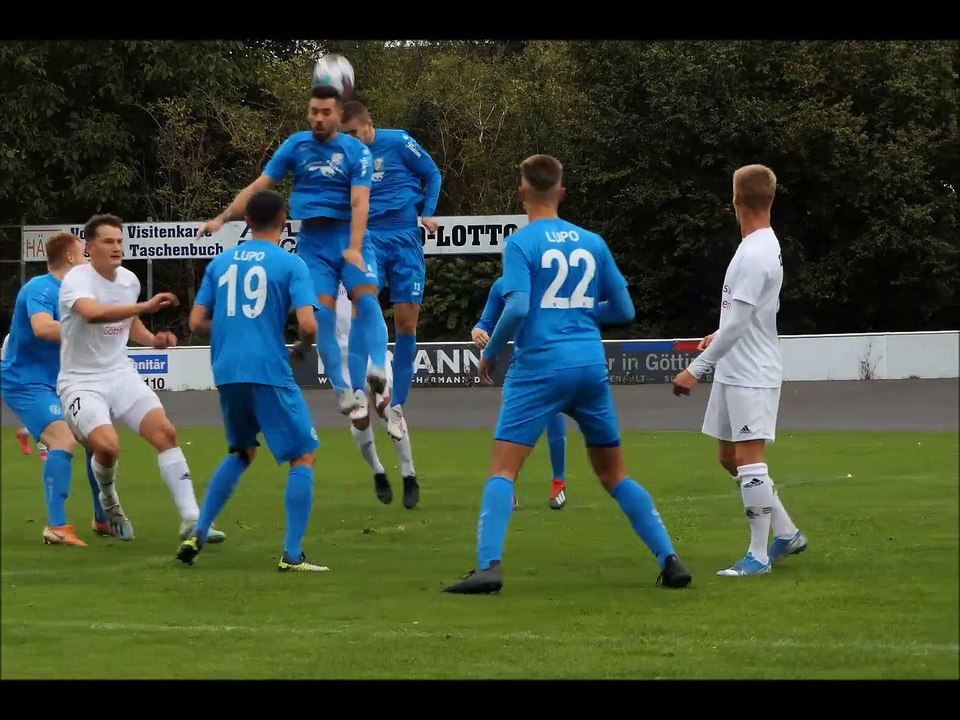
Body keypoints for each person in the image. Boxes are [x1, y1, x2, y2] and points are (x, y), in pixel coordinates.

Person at [443, 154, 692, 594]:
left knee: (503, 470)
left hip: (540, 366)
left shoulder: (521, 243)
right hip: (589, 366)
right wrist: (581, 311)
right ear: (561, 192)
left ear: (522, 192)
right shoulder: (593, 242)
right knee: (615, 475)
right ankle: (670, 560)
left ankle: (488, 568)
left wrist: (491, 353)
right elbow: (625, 310)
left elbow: (517, 307)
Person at [195, 84, 387, 417]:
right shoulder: (296, 145)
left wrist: (355, 247)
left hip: (349, 235)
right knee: (321, 315)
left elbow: (360, 202)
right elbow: (259, 186)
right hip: (313, 241)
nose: (318, 118)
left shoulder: (357, 152)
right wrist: (222, 218)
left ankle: (378, 368)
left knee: (366, 298)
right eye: (314, 111)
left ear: (338, 115)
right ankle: (343, 391)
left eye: (325, 112)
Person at [178, 190, 327, 572]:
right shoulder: (291, 264)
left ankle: (198, 532)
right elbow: (309, 324)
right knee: (303, 455)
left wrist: (232, 327)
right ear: (284, 221)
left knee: (241, 452)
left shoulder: (220, 263)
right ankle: (292, 555)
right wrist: (301, 346)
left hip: (227, 370)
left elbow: (195, 323)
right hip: (267, 369)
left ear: (246, 222)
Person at [672, 163, 807, 577]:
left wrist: (695, 370)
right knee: (729, 457)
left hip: (752, 371)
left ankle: (758, 555)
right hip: (735, 367)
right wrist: (719, 334)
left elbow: (740, 324)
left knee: (749, 459)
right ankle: (786, 532)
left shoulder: (755, 253)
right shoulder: (757, 245)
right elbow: (747, 315)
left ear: (735, 199)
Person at [57, 214, 225, 544]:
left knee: (165, 433)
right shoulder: (77, 279)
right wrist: (146, 306)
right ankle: (109, 501)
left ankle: (192, 519)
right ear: (89, 248)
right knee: (107, 448)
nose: (116, 247)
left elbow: (129, 322)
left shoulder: (129, 281)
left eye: (119, 241)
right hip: (80, 381)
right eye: (108, 241)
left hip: (120, 373)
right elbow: (92, 313)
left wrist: (152, 340)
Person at [340, 100, 442, 441]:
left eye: (353, 132)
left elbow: (432, 173)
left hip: (405, 239)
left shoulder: (398, 141)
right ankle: (359, 395)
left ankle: (397, 407)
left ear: (369, 124)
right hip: (369, 239)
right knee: (361, 307)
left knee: (406, 324)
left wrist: (428, 212)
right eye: (344, 134)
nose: (350, 139)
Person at [0, 234, 105, 545]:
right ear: (70, 258)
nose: (87, 259)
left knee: (98, 441)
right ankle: (57, 526)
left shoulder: (79, 294)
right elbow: (42, 327)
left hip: (60, 381)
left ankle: (102, 518)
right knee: (64, 439)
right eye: (82, 254)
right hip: (25, 380)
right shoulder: (40, 288)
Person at [472, 277, 567, 510]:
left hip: (555, 360)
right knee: (510, 422)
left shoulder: (551, 279)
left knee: (554, 416)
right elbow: (486, 322)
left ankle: (558, 482)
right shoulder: (502, 285)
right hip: (521, 363)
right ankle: (507, 487)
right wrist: (478, 330)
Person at [335, 282, 420, 509]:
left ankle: (408, 474)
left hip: (369, 342)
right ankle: (378, 471)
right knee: (359, 419)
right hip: (339, 354)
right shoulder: (317, 270)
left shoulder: (363, 265)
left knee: (386, 407)